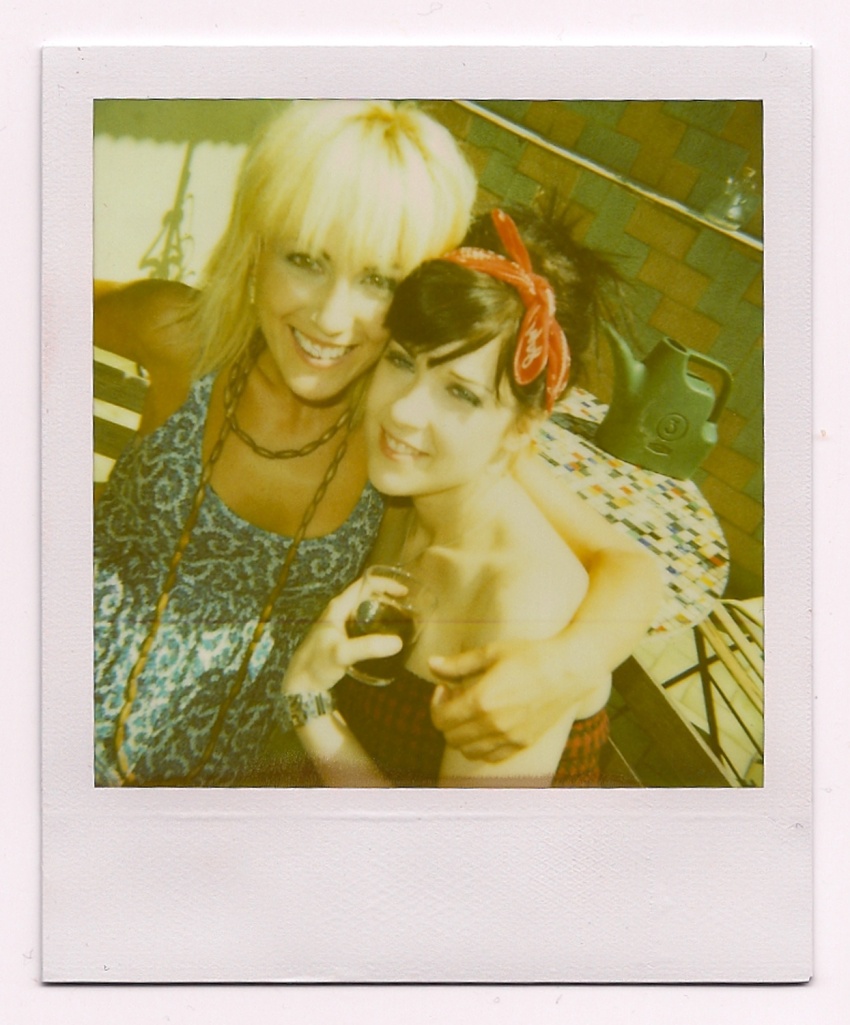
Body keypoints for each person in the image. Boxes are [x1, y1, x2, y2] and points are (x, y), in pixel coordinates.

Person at [94, 100, 659, 787]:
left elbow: (626, 562)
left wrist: (567, 667)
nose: (332, 318)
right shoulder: (186, 337)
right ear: (256, 250)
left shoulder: (398, 428)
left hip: (215, 775)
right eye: (305, 259)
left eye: (379, 280)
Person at [280, 209, 616, 785]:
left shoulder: (520, 606)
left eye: (460, 393)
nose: (404, 411)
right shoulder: (405, 502)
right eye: (401, 360)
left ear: (521, 428)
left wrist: (308, 702)